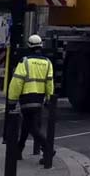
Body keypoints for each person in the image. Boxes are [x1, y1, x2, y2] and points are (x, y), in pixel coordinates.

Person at [7, 34, 54, 163]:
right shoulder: (47, 63)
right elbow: (49, 83)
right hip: (39, 99)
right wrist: (49, 99)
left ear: (29, 46)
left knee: (32, 127)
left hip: (27, 98)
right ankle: (18, 150)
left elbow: (17, 82)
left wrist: (12, 100)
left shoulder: (25, 61)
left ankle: (48, 149)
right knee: (27, 125)